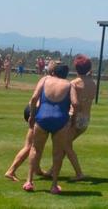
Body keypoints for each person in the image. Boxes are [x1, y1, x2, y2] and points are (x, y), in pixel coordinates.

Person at [24, 61, 79, 194]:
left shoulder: (45, 79)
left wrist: (32, 115)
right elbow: (76, 104)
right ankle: (54, 186)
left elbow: (33, 98)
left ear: (53, 72)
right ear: (66, 74)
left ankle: (29, 181)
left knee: (35, 149)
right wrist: (73, 118)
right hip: (60, 120)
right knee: (57, 153)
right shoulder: (69, 84)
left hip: (42, 118)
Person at [63, 54, 96, 181]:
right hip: (86, 120)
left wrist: (71, 120)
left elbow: (74, 103)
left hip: (75, 118)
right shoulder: (93, 83)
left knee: (65, 144)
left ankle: (79, 173)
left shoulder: (74, 83)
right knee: (66, 145)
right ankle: (52, 170)